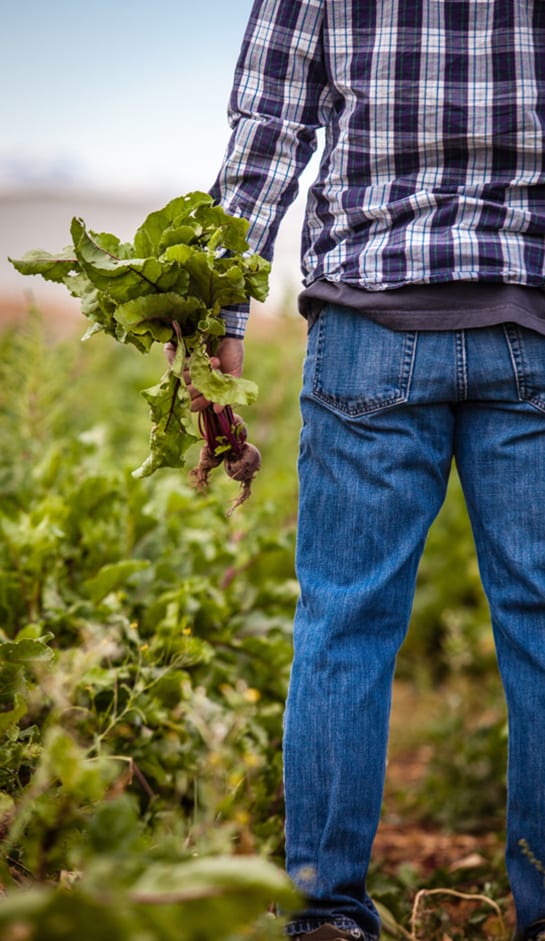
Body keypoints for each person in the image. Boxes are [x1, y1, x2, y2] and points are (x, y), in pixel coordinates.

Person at [176, 2, 545, 939]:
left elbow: (267, 129)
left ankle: (326, 912)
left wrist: (216, 323)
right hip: (533, 320)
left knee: (344, 614)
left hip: (369, 326)